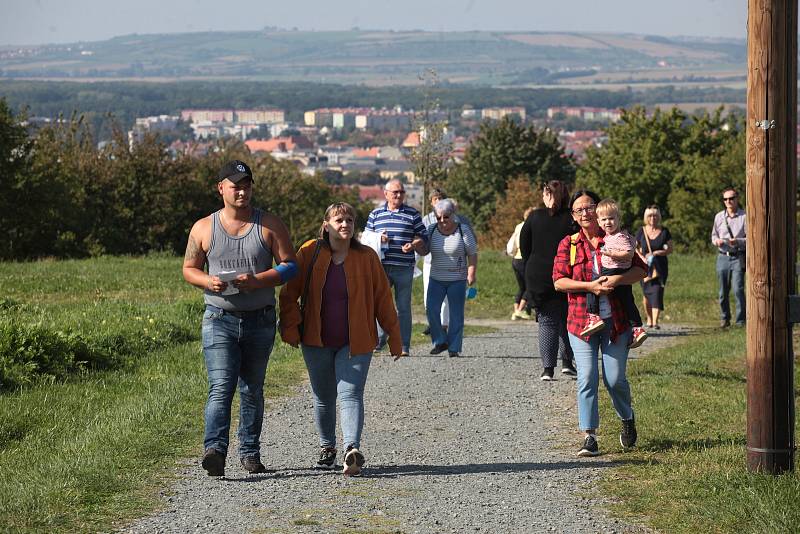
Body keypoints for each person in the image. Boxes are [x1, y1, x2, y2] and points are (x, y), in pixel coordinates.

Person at [182, 160, 298, 477]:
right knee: (221, 387)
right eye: (235, 185)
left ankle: (250, 452)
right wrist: (209, 281)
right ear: (221, 188)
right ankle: (215, 452)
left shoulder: (270, 225)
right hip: (220, 318)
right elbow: (189, 268)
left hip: (259, 320)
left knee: (252, 389)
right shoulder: (204, 227)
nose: (242, 191)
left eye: (246, 185)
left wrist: (259, 280)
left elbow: (291, 265)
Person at [279, 202, 402, 476]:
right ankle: (327, 448)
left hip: (356, 340)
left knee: (350, 394)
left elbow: (383, 298)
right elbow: (289, 293)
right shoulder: (309, 252)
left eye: (349, 220)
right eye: (338, 220)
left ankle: (351, 449)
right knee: (323, 397)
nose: (345, 224)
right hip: (315, 339)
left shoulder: (367, 257)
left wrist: (394, 335)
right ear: (326, 225)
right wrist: (289, 326)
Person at [553, 189, 647, 457]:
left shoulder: (617, 238)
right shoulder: (569, 245)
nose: (585, 213)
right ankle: (589, 436)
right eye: (579, 210)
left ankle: (626, 418)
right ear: (573, 215)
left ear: (598, 209)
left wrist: (617, 280)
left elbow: (641, 269)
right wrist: (589, 286)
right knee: (587, 377)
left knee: (615, 379)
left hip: (616, 321)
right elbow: (559, 281)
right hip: (581, 321)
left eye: (589, 207)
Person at [519, 180, 576, 381]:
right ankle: (568, 363)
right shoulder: (572, 218)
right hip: (567, 274)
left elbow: (524, 245)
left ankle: (548, 368)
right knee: (567, 320)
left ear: (547, 195)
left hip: (539, 273)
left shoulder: (534, 217)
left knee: (547, 321)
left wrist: (531, 263)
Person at [366, 179, 427, 356]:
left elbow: (423, 236)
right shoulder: (375, 214)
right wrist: (379, 239)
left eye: (401, 192)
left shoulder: (412, 214)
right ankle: (379, 339)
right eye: (395, 192)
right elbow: (367, 238)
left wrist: (414, 244)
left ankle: (403, 345)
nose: (399, 195)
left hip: (404, 267)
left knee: (403, 307)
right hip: (381, 267)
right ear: (386, 194)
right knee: (380, 305)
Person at [582, 199, 647, 348]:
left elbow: (629, 254)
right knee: (626, 301)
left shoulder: (619, 236)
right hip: (621, 272)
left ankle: (593, 315)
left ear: (619, 219)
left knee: (593, 285)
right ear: (598, 221)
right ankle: (637, 328)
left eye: (611, 218)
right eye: (604, 219)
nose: (608, 222)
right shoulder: (613, 236)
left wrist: (611, 254)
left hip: (613, 269)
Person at [421, 198, 478, 358]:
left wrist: (471, 272)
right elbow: (424, 251)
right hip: (436, 278)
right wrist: (416, 245)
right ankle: (440, 341)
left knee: (456, 314)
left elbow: (472, 253)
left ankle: (454, 347)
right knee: (431, 310)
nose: (442, 220)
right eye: (438, 217)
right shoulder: (431, 229)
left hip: (457, 279)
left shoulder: (463, 230)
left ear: (453, 215)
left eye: (445, 216)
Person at [711, 186, 746, 327]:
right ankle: (725, 318)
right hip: (722, 256)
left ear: (737, 199)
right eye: (725, 199)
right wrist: (716, 241)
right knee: (722, 292)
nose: (728, 201)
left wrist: (738, 241)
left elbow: (751, 239)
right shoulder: (719, 217)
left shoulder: (745, 216)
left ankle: (740, 321)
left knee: (738, 289)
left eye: (731, 198)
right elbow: (714, 235)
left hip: (737, 256)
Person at [635, 205, 673, 329]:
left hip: (660, 267)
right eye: (650, 215)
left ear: (659, 217)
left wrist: (659, 252)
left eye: (655, 215)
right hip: (644, 267)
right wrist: (641, 256)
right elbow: (635, 247)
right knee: (646, 293)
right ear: (646, 217)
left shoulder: (664, 231)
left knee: (657, 291)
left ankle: (655, 322)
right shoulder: (642, 231)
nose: (653, 218)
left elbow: (670, 248)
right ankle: (650, 319)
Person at [421, 188, 450, 335]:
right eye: (435, 199)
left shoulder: (451, 218)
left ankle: (444, 324)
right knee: (428, 294)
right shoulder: (426, 219)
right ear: (431, 202)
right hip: (429, 261)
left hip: (446, 261)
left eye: (440, 199)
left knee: (444, 295)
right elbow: (421, 239)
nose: (437, 201)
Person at [508, 207, 535, 321]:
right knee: (529, 287)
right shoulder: (532, 227)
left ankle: (516, 311)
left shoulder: (518, 226)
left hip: (515, 259)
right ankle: (520, 309)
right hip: (525, 259)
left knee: (521, 287)